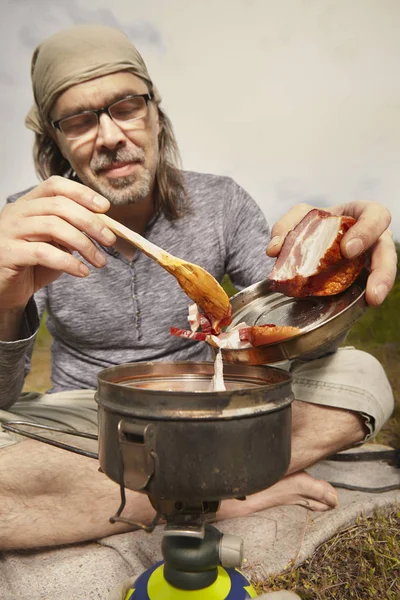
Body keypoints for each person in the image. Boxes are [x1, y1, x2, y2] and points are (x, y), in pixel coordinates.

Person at [0, 24, 396, 553]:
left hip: (211, 407)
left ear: (155, 115)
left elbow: (284, 325)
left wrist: (326, 257)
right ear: (57, 141)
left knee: (362, 378)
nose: (111, 134)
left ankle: (139, 498)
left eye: (125, 105)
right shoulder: (27, 221)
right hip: (84, 421)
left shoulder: (223, 203)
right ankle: (230, 490)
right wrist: (4, 306)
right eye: (78, 119)